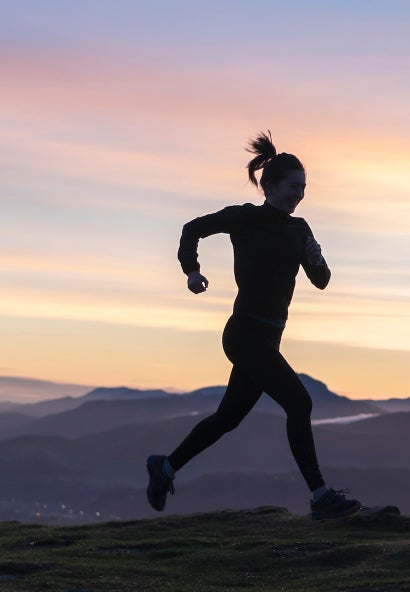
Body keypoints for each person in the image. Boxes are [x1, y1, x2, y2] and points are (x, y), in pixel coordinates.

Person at [145, 132, 362, 520]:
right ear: (271, 186)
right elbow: (192, 228)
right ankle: (320, 495)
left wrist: (317, 258)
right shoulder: (245, 218)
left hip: (268, 339)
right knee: (300, 402)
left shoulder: (300, 230)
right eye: (294, 187)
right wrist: (192, 272)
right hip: (244, 333)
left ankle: (165, 467)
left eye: (304, 188)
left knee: (228, 419)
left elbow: (322, 280)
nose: (299, 194)